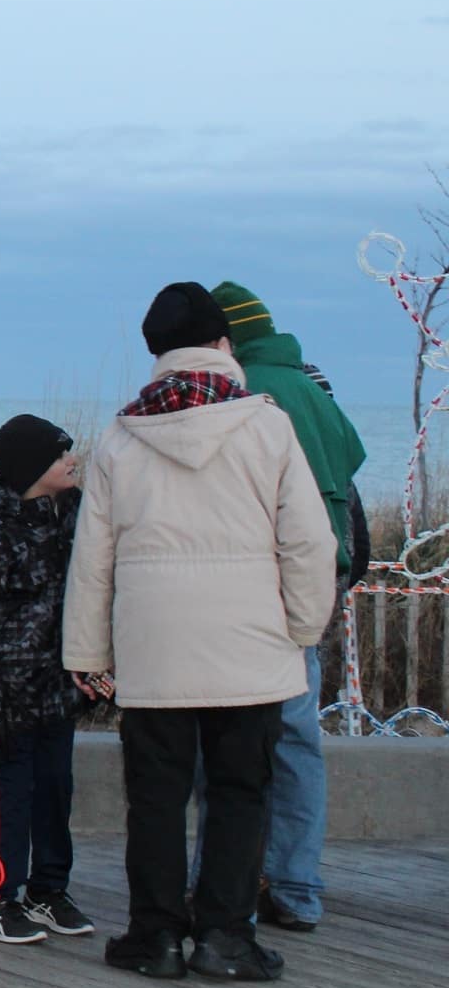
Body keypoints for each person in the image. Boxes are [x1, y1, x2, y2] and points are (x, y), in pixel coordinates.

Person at [65, 283, 335, 982]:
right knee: (242, 794)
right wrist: (302, 628)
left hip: (155, 649)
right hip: (253, 646)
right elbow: (309, 542)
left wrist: (88, 654)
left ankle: (155, 937)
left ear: (156, 352)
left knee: (155, 798)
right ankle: (226, 937)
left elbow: (92, 560)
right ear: (222, 346)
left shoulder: (121, 437)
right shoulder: (267, 426)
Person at [209, 281, 367, 932]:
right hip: (312, 585)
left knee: (219, 744)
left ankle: (220, 883)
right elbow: (349, 470)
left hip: (241, 588)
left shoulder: (234, 393)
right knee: (298, 739)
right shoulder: (311, 386)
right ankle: (298, 884)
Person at [0, 415, 101, 945]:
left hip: (57, 691)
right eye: (60, 453)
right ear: (30, 467)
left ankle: (48, 891)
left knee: (55, 793)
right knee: (10, 799)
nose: (72, 459)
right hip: (9, 697)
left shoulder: (75, 520)